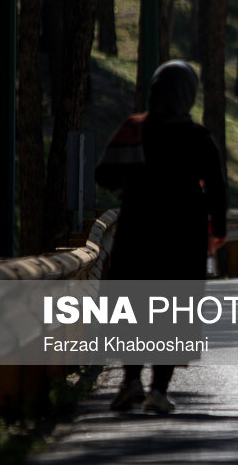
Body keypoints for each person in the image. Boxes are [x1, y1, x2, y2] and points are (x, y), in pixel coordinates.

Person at [96, 60, 227, 414]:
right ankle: (159, 390)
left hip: (139, 228)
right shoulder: (198, 137)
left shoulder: (136, 129)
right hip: (184, 234)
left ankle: (130, 380)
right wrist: (220, 230)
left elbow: (104, 174)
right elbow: (217, 189)